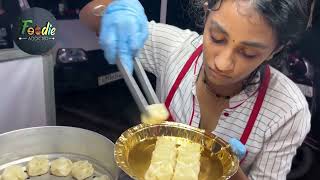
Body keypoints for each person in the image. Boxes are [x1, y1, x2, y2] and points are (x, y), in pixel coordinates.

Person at [79, 0, 315, 179]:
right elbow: (89, 17)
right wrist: (114, 9)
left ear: (275, 49)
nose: (222, 63)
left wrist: (231, 171)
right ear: (206, 12)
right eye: (217, 37)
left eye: (248, 53)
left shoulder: (287, 110)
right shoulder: (176, 50)